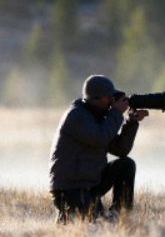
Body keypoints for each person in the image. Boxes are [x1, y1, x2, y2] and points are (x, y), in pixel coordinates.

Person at [49, 74, 149, 223]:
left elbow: (121, 150)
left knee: (126, 164)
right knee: (96, 223)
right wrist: (115, 114)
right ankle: (70, 215)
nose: (112, 101)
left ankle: (121, 216)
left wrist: (132, 122)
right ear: (95, 99)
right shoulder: (76, 116)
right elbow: (100, 138)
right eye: (109, 97)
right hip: (71, 189)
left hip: (90, 184)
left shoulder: (98, 117)